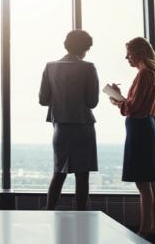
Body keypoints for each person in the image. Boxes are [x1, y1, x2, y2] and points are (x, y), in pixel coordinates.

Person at [109, 37, 155, 244]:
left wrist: (117, 100)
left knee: (143, 183)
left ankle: (144, 231)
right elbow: (139, 104)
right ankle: (154, 229)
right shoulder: (151, 74)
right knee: (151, 183)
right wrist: (122, 98)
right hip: (146, 128)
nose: (127, 58)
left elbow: (132, 108)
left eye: (129, 53)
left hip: (139, 129)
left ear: (139, 53)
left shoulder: (143, 75)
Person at [39, 29, 99, 211]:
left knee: (59, 173)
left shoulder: (50, 66)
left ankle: (49, 212)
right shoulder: (88, 68)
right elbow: (92, 102)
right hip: (83, 127)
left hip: (61, 128)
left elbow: (42, 100)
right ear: (86, 48)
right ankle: (82, 217)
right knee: (82, 176)